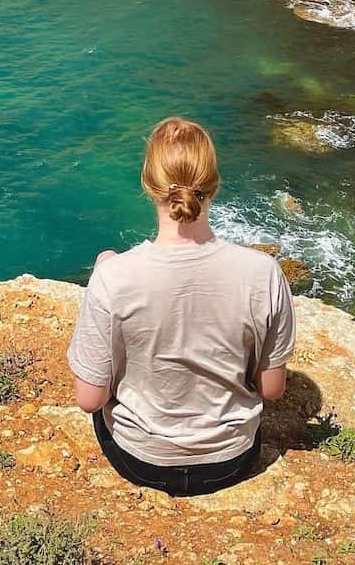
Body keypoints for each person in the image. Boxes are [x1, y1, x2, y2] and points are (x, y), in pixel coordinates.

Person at [67, 116, 295, 498]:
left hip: (140, 460)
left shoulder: (113, 277)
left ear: (148, 184)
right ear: (214, 186)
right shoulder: (264, 273)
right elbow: (271, 390)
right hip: (231, 460)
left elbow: (90, 399)